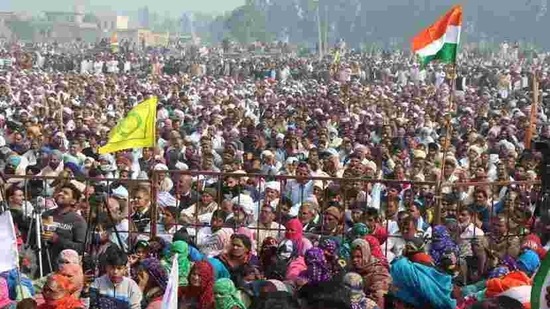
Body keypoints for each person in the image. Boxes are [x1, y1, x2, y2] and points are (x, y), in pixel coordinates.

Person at [41, 183, 87, 274]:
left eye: (65, 193)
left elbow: (80, 247)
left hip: (64, 269)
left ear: (73, 201)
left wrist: (57, 239)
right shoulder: (46, 215)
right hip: (43, 263)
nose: (60, 194)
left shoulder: (78, 221)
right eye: (60, 191)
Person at [350, 238, 391, 307]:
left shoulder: (379, 272)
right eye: (353, 257)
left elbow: (378, 298)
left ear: (366, 255)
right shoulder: (353, 270)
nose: (355, 260)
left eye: (358, 257)